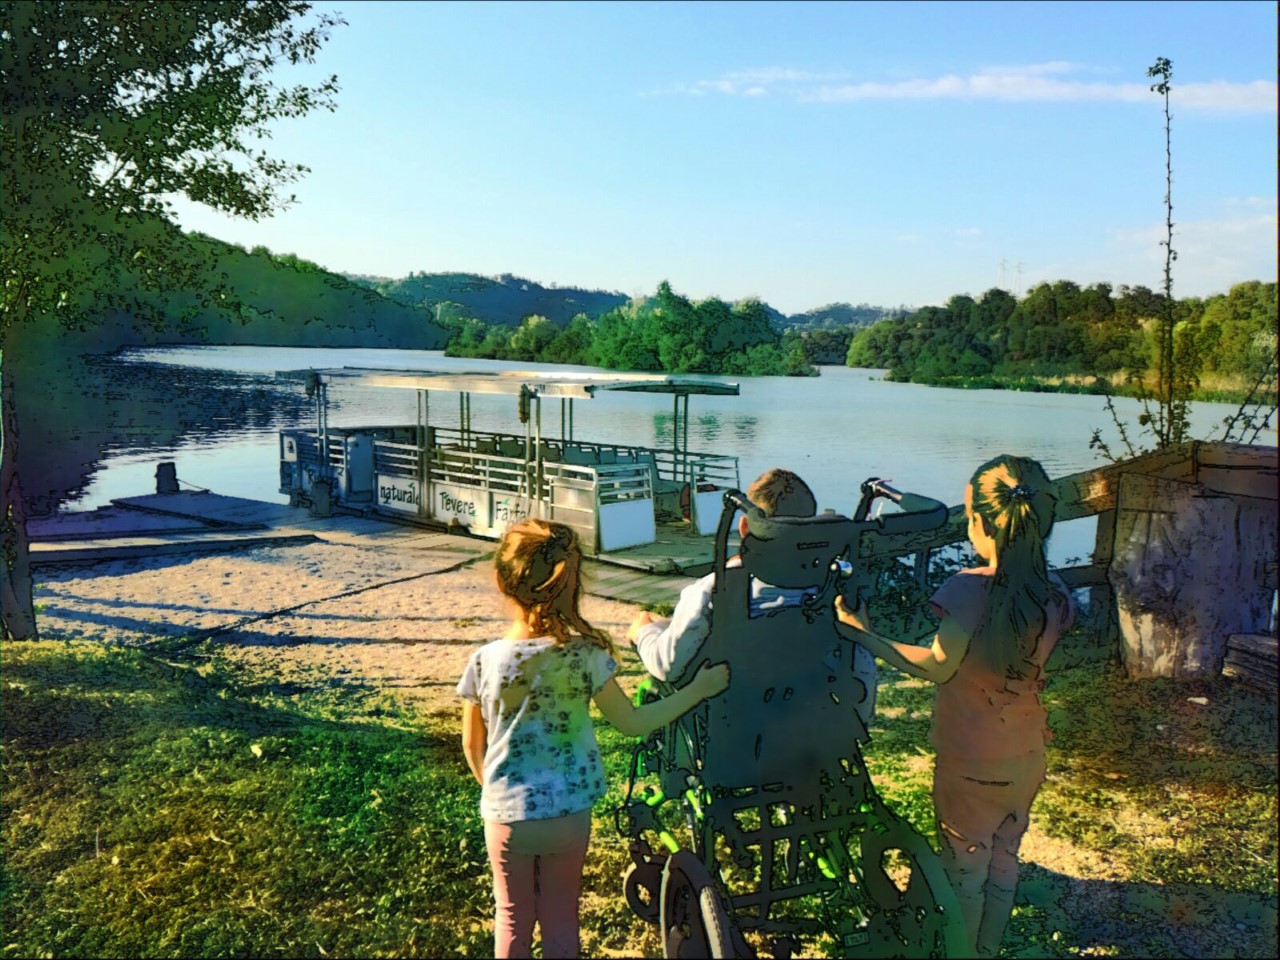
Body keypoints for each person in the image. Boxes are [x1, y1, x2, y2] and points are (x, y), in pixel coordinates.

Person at [833, 454, 1073, 958]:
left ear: (980, 522)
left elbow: (938, 666)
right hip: (1027, 753)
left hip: (971, 759)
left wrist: (863, 634)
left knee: (965, 868)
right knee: (1004, 858)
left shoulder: (967, 591)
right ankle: (987, 949)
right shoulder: (1056, 593)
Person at [457, 518, 730, 959]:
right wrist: (698, 690)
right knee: (562, 916)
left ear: (502, 582)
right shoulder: (586, 656)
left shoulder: (484, 661)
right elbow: (633, 723)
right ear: (571, 583)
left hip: (507, 816)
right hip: (569, 814)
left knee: (511, 916)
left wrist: (496, 791)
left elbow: (473, 746)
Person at [628, 467, 878, 728]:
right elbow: (861, 665)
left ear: (745, 527)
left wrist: (643, 632)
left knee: (650, 627)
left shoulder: (714, 590)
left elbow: (668, 666)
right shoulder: (832, 592)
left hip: (734, 727)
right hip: (814, 725)